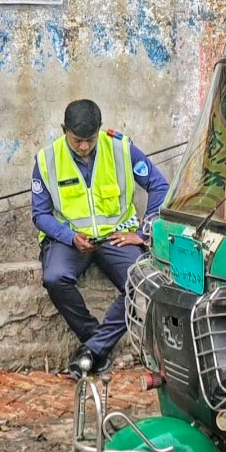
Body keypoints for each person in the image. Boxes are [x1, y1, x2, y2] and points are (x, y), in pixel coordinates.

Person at [31, 99, 169, 379]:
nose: (84, 146)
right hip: (69, 240)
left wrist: (143, 233)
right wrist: (69, 237)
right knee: (55, 277)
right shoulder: (47, 159)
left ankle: (91, 351)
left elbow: (160, 186)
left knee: (142, 279)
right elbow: (40, 214)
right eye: (77, 140)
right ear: (64, 130)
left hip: (115, 237)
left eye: (90, 140)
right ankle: (96, 342)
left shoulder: (120, 148)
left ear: (99, 131)